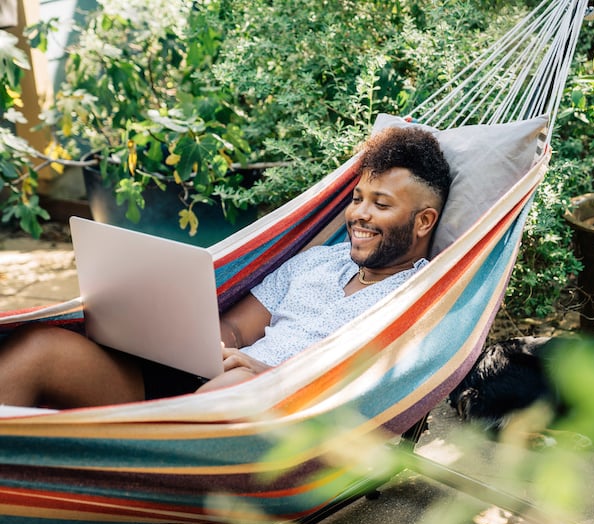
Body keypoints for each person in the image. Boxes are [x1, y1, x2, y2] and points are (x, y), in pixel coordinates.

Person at [0, 126, 452, 408]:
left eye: (381, 204)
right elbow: (235, 331)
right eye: (357, 199)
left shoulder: (419, 298)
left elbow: (364, 385)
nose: (359, 215)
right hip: (207, 384)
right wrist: (190, 339)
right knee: (39, 349)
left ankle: (83, 463)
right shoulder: (316, 261)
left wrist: (262, 373)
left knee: (221, 395)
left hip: (271, 413)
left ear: (423, 221)